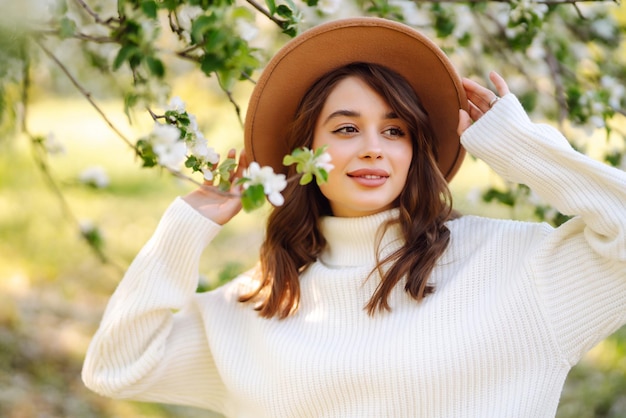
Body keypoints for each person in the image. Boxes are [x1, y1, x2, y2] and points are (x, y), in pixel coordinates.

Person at [82, 17, 626, 417]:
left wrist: (523, 148)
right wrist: (188, 224)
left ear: (416, 150)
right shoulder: (258, 304)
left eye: (395, 130)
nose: (373, 148)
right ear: (305, 152)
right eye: (345, 129)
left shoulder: (514, 266)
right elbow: (116, 365)